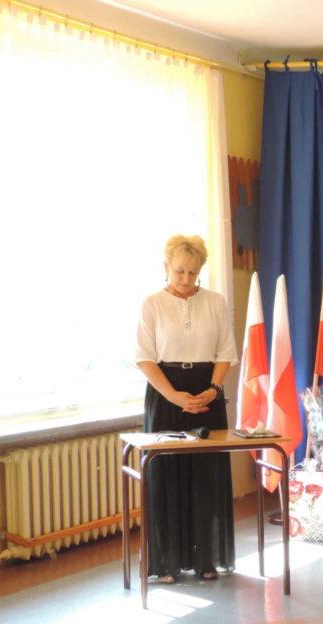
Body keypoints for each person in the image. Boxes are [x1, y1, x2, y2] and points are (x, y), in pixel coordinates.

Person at [135, 235, 239, 583]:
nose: (185, 279)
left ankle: (205, 559)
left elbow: (225, 353)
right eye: (179, 271)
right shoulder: (151, 304)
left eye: (192, 273)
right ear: (166, 266)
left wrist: (213, 390)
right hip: (165, 392)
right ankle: (165, 563)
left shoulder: (215, 302)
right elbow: (145, 358)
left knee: (206, 475)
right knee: (165, 476)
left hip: (207, 394)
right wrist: (175, 396)